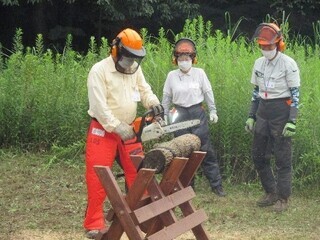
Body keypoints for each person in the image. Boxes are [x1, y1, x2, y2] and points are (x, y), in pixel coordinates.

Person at [83, 28, 163, 239]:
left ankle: (142, 215)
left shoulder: (134, 69)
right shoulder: (99, 70)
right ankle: (94, 222)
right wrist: (116, 127)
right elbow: (99, 107)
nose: (130, 63)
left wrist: (154, 103)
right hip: (103, 130)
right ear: (116, 50)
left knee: (139, 172)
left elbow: (144, 90)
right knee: (97, 176)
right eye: (127, 57)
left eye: (134, 58)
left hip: (130, 129)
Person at [245, 23, 301, 212]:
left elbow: (295, 95)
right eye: (262, 46)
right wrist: (251, 115)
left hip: (281, 110)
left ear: (278, 44)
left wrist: (292, 120)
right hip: (263, 110)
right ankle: (271, 192)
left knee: (282, 158)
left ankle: (283, 198)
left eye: (269, 46)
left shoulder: (288, 63)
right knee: (259, 156)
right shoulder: (258, 63)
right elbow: (255, 91)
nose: (265, 49)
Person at [161, 38, 226, 197]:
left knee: (205, 149)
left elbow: (208, 92)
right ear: (176, 60)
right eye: (181, 59)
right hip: (179, 114)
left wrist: (213, 110)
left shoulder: (200, 73)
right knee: (182, 150)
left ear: (193, 59)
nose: (184, 61)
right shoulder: (171, 76)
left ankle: (216, 185)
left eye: (187, 59)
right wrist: (164, 116)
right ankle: (187, 186)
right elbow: (166, 98)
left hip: (197, 112)